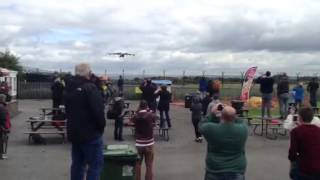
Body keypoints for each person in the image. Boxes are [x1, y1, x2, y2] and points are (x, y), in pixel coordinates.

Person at [64, 63, 106, 180]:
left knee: (77, 164)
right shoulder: (90, 88)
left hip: (74, 133)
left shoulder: (69, 88)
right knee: (95, 165)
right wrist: (101, 127)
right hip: (90, 134)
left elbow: (67, 110)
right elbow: (98, 111)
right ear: (88, 73)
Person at [199, 105, 248, 180]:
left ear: (221, 116)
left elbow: (201, 126)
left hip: (215, 169)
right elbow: (241, 121)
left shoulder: (211, 128)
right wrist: (231, 112)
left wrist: (212, 113)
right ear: (234, 117)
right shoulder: (243, 129)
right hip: (236, 170)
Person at [288, 107, 320, 180]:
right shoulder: (318, 130)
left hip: (305, 169)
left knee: (294, 166)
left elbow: (292, 153)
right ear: (312, 118)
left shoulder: (296, 131)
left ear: (300, 118)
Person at [132, 100, 156, 180]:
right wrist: (149, 110)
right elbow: (155, 118)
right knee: (149, 165)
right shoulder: (150, 115)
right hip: (149, 143)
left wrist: (137, 111)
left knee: (138, 164)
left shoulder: (136, 116)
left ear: (140, 106)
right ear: (146, 106)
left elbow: (131, 121)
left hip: (139, 143)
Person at [0, 94, 10, 160]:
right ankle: (1, 155)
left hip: (2, 126)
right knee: (1, 141)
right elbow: (3, 118)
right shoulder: (2, 107)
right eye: (4, 98)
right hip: (2, 126)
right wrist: (5, 128)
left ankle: (2, 154)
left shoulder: (3, 106)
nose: (5, 99)